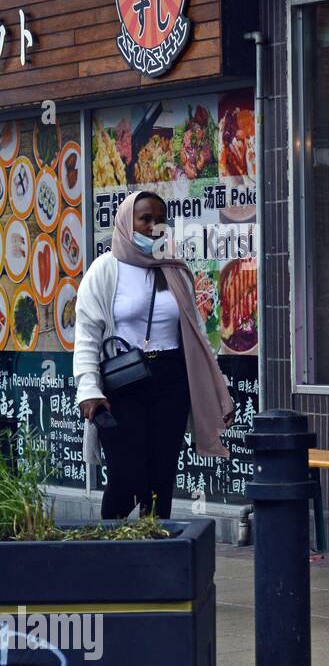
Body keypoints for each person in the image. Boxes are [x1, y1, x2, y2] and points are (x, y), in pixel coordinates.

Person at [73, 191, 235, 520]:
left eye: (160, 220)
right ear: (125, 222)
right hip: (122, 384)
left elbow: (197, 335)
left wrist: (217, 391)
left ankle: (157, 544)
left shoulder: (175, 270)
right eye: (145, 218)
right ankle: (112, 545)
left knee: (161, 472)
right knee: (125, 472)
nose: (153, 226)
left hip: (170, 381)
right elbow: (87, 335)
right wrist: (89, 388)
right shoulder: (104, 270)